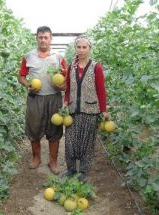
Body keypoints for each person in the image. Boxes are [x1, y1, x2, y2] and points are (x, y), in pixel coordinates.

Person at [18, 26, 67, 175]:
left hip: (54, 98)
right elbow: (21, 77)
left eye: (46, 37)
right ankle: (36, 158)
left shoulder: (59, 57)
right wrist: (28, 85)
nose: (43, 40)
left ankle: (52, 161)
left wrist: (61, 87)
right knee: (34, 128)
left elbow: (66, 80)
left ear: (51, 39)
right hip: (35, 98)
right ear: (37, 38)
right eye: (40, 37)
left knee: (55, 129)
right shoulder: (28, 56)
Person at [63, 35, 110, 182]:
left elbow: (101, 90)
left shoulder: (96, 67)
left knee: (87, 143)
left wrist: (103, 110)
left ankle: (83, 171)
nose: (81, 50)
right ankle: (71, 169)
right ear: (75, 48)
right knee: (70, 142)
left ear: (89, 49)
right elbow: (68, 88)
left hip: (90, 111)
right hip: (72, 111)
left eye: (85, 47)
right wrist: (65, 102)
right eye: (79, 47)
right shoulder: (72, 67)